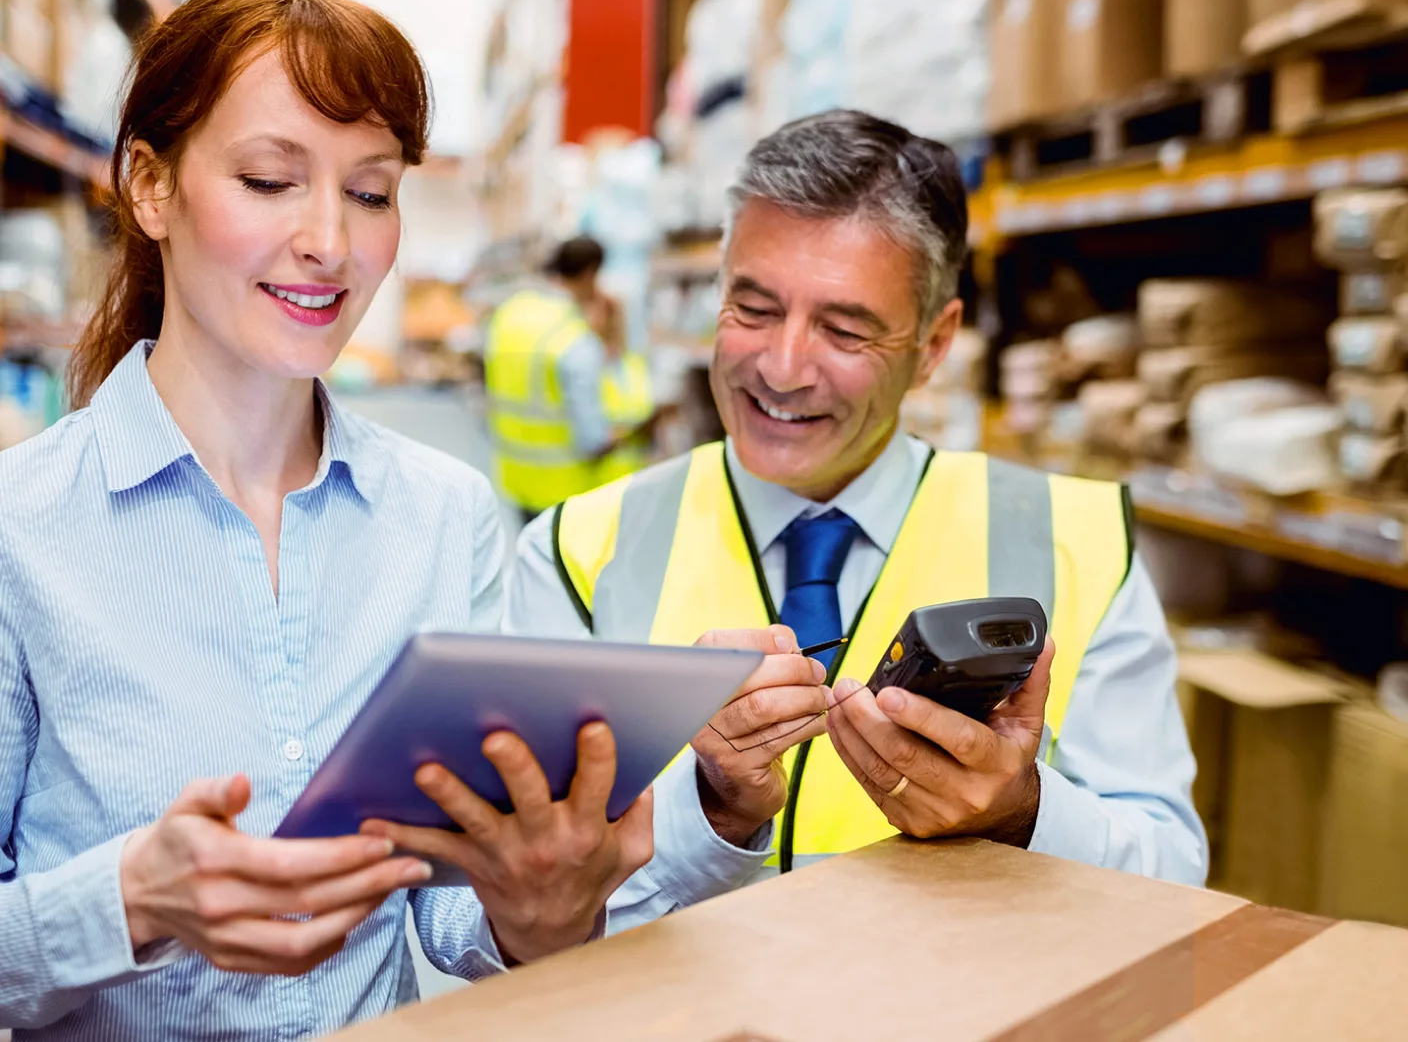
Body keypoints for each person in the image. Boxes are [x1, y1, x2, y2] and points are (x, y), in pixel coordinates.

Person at [0, 0, 663, 1039]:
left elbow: (450, 902)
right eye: (270, 179)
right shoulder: (20, 530)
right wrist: (126, 900)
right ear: (150, 186)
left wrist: (538, 910)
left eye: (370, 191)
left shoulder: (445, 517)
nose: (331, 243)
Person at [508, 110, 1207, 924]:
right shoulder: (576, 554)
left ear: (936, 344)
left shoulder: (1075, 541)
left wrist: (1022, 813)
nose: (781, 367)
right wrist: (714, 812)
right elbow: (511, 922)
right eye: (753, 308)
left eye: (844, 329)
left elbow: (1170, 882)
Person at [483, 236, 650, 525]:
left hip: (518, 481)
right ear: (590, 274)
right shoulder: (574, 339)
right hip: (568, 494)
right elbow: (593, 441)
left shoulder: (509, 314)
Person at [581, 286, 659, 484]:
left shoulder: (633, 364)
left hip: (636, 479)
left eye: (615, 313)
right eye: (605, 313)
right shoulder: (583, 367)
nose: (613, 321)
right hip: (596, 484)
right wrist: (630, 433)